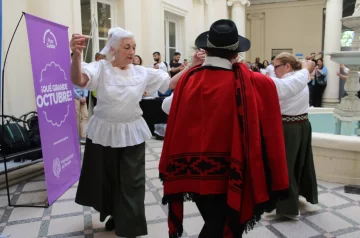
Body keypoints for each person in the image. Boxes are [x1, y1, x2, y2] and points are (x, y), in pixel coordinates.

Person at [159, 19, 315, 238]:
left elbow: (167, 106)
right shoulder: (249, 82)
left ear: (205, 50)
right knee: (222, 226)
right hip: (231, 174)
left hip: (192, 172)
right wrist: (306, 71)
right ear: (236, 54)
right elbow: (287, 88)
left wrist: (193, 68)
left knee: (214, 221)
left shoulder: (189, 81)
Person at [70, 27, 170, 238]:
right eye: (127, 47)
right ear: (114, 49)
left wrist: (197, 67)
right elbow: (78, 80)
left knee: (132, 180)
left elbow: (168, 82)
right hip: (103, 132)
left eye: (134, 47)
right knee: (107, 178)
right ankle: (115, 214)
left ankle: (130, 227)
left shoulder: (141, 72)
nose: (132, 51)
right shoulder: (101, 68)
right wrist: (77, 56)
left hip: (131, 132)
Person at [272, 52, 318, 220]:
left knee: (286, 166)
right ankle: (298, 195)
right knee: (300, 162)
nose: (273, 69)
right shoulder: (300, 78)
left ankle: (288, 207)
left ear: (288, 66)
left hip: (288, 127)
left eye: (276, 66)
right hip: (303, 125)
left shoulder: (289, 82)